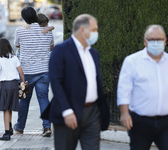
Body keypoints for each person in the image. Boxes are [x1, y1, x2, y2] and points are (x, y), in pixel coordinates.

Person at [42, 14, 110, 150]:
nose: (96, 33)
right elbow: (56, 82)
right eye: (94, 29)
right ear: (83, 30)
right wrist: (66, 111)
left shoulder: (93, 54)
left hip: (92, 113)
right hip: (68, 112)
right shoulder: (60, 50)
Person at [117, 25, 168, 150]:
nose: (155, 42)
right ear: (145, 41)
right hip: (140, 122)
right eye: (151, 39)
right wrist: (124, 113)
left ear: (165, 41)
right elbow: (124, 89)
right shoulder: (132, 61)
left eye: (159, 39)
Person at [13, 6, 54, 137]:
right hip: (44, 71)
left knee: (24, 100)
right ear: (35, 15)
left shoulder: (20, 31)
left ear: (25, 18)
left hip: (26, 73)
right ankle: (47, 127)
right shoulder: (47, 31)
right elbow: (51, 47)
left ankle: (20, 127)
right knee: (43, 98)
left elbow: (17, 45)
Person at [0, 38, 25, 141]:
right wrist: (23, 83)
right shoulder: (14, 57)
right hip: (14, 85)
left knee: (6, 109)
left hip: (5, 85)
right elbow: (21, 72)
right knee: (10, 107)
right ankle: (9, 126)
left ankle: (6, 133)